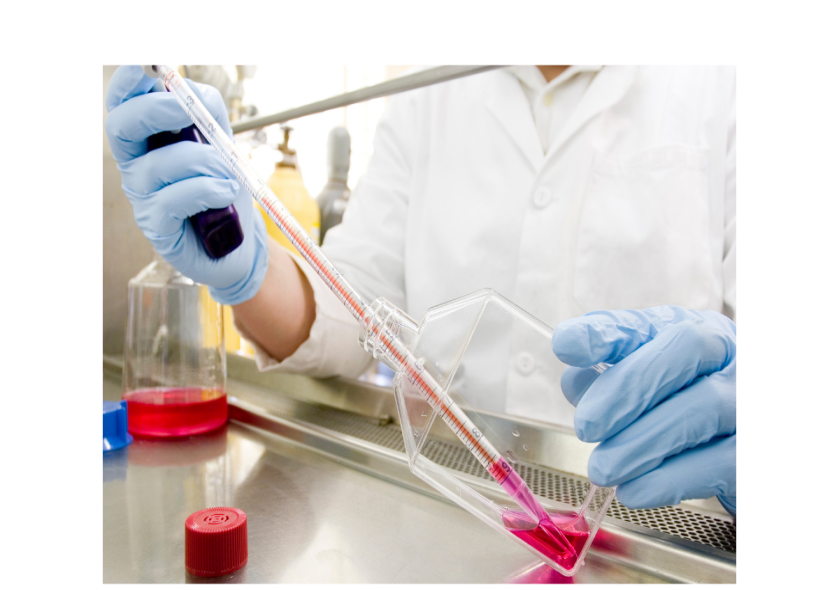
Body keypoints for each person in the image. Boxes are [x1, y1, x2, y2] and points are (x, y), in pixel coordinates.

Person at [105, 65, 736, 517]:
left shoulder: (723, 79)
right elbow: (354, 307)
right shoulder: (430, 88)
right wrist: (249, 271)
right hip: (454, 503)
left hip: (672, 521)